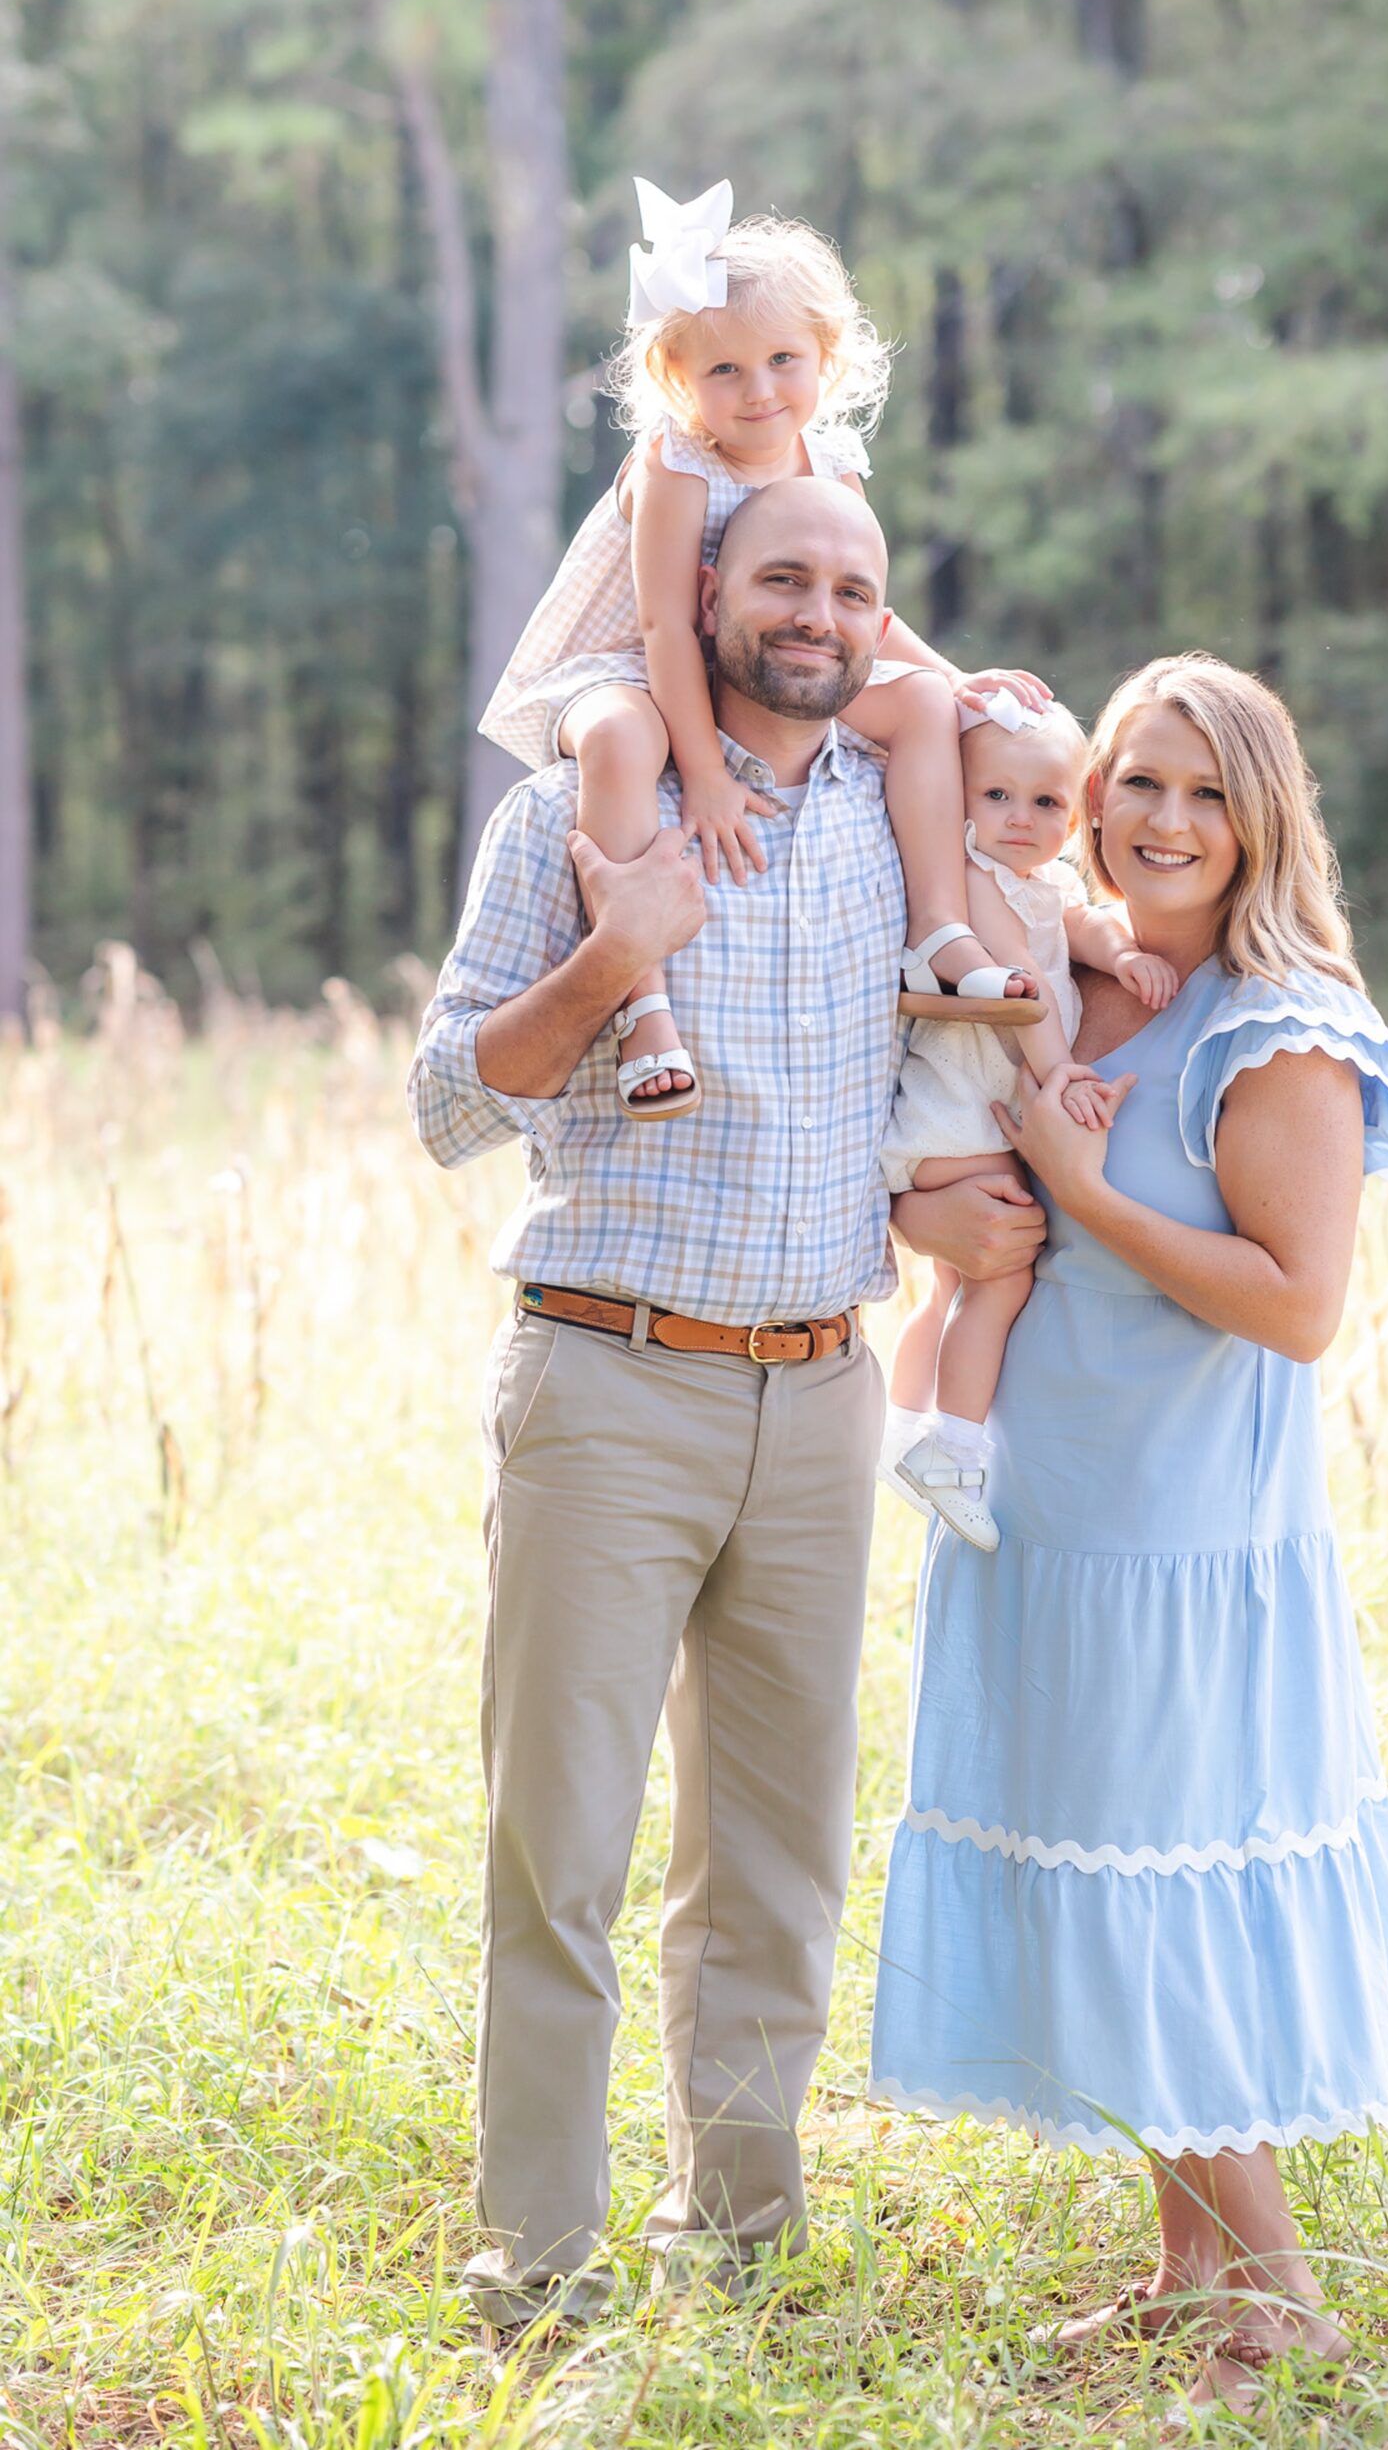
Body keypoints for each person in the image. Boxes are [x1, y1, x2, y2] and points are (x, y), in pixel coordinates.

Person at [408, 473, 1044, 2336]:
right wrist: (618, 955)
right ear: (705, 592)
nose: (821, 612)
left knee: (773, 1855)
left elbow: (1041, 957)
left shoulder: (897, 826)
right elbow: (449, 1101)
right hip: (609, 1380)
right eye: (785, 575)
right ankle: (536, 2265)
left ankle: (743, 2241)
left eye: (855, 584)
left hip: (820, 1393)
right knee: (566, 1850)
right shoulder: (575, 809)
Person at [868, 653, 1388, 2420]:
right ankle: (1187, 2275)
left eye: (1205, 792)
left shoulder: (1282, 1025)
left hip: (1183, 1543)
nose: (1165, 821)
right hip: (1040, 1509)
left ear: (1261, 817)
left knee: (1160, 1878)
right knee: (1103, 1870)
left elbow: (1297, 1307)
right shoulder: (1066, 977)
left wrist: (1094, 1190)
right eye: (1139, 782)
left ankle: (1282, 2297)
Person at [479, 176, 1051, 1117]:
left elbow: (865, 613)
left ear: (826, 359)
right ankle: (642, 1002)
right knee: (625, 744)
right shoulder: (678, 461)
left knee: (922, 709)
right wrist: (702, 772)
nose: (758, 393)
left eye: (784, 360)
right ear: (678, 380)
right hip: (631, 663)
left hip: (768, 664)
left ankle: (940, 935)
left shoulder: (833, 463)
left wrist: (958, 683)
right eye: (725, 372)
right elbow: (666, 622)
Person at [878, 698, 1178, 1548]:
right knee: (1001, 1279)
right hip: (963, 1115)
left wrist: (1119, 953)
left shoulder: (1048, 881)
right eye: (997, 796)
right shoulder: (968, 875)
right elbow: (1022, 985)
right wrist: (1063, 1077)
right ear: (961, 800)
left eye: (1046, 804)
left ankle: (903, 1424)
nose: (1020, 820)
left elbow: (1074, 928)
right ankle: (956, 1449)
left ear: (1077, 812)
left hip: (959, 1122)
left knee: (950, 1286)